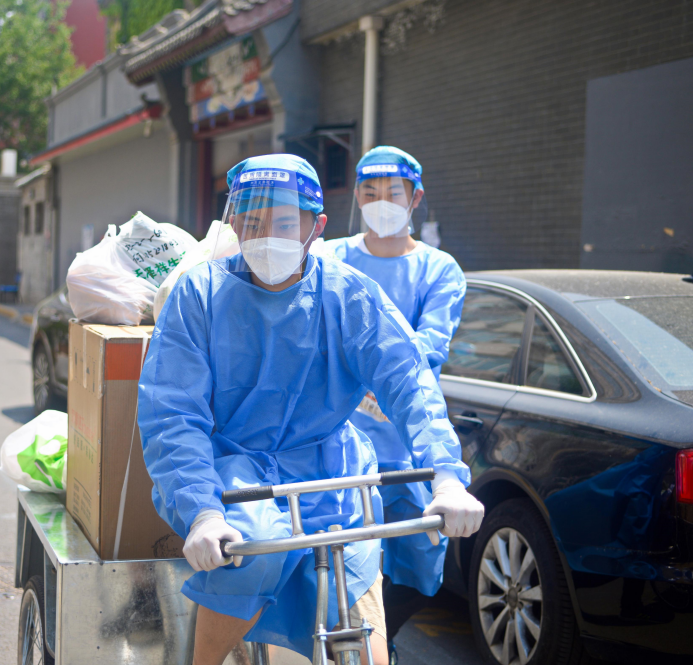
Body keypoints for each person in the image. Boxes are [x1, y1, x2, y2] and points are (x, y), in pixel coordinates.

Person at [139, 154, 482, 665]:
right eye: (251, 221)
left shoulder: (349, 294)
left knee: (362, 605)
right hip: (235, 470)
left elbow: (411, 383)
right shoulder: (200, 293)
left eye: (282, 222)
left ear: (316, 227)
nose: (264, 235)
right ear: (233, 223)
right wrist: (204, 512)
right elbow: (173, 413)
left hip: (335, 472)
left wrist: (448, 476)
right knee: (249, 553)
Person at [324, 146, 468, 643]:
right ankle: (361, 644)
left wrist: (382, 384)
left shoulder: (439, 269)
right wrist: (360, 388)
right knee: (340, 560)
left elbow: (431, 343)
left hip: (407, 438)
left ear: (415, 198)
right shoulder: (330, 257)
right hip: (337, 439)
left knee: (417, 563)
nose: (380, 201)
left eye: (393, 192)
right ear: (356, 197)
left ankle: (381, 641)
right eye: (370, 192)